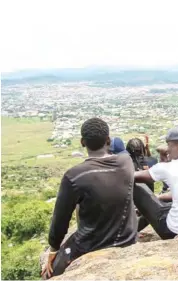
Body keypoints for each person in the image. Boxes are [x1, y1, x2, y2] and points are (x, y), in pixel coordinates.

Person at [42, 118, 136, 279]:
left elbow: (60, 220)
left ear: (82, 142)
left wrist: (53, 249)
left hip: (92, 245)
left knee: (48, 274)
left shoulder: (75, 175)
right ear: (108, 140)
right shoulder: (126, 162)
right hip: (127, 239)